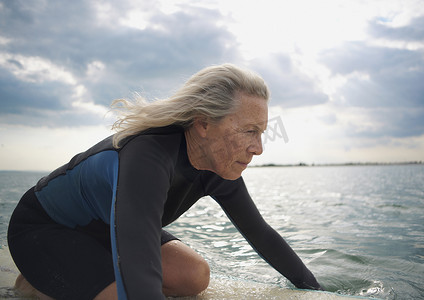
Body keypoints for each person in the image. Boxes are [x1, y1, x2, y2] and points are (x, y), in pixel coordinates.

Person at [8, 64, 322, 300]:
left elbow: (261, 234)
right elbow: (139, 271)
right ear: (203, 123)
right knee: (125, 293)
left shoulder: (217, 164)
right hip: (44, 229)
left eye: (262, 132)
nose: (258, 147)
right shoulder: (148, 156)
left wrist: (317, 291)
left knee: (194, 275)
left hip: (111, 230)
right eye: (249, 131)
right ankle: (36, 283)